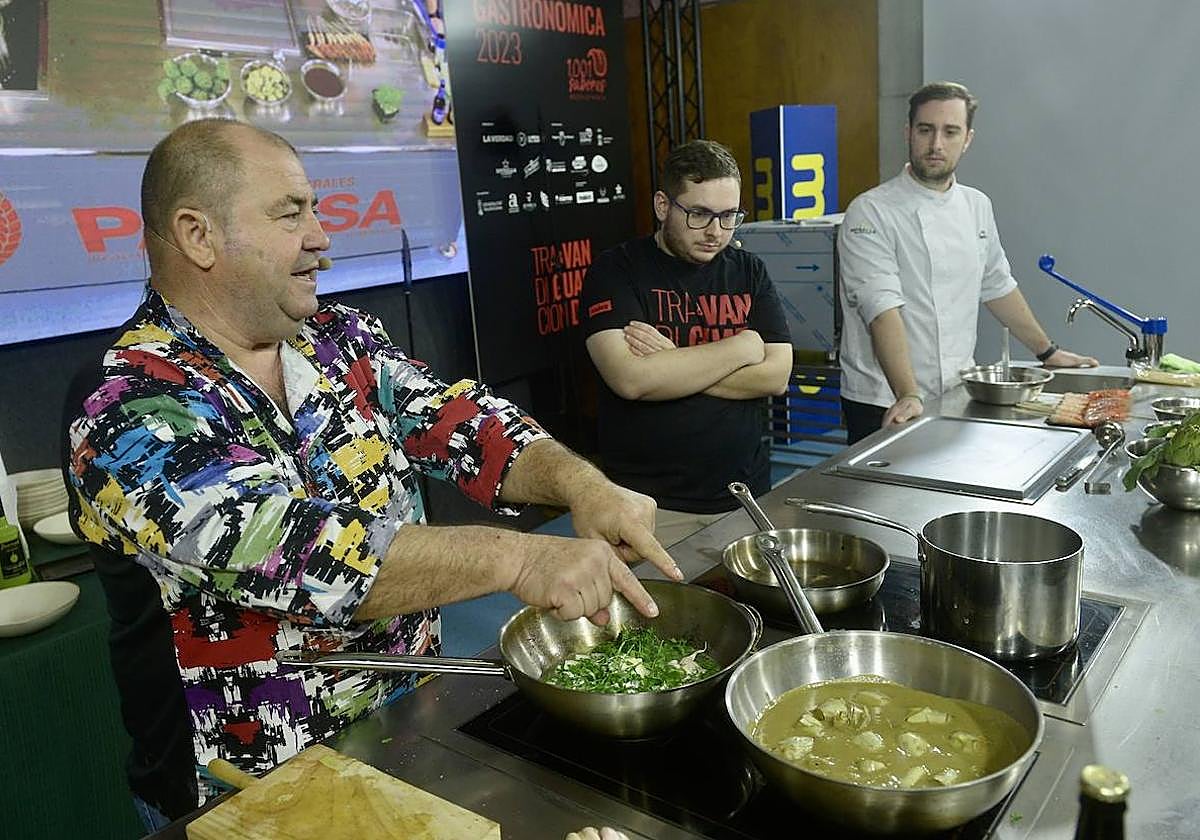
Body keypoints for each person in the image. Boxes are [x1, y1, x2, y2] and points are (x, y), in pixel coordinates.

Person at [62, 118, 681, 830]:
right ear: (198, 235)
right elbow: (293, 551)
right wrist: (521, 556)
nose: (321, 235)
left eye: (315, 209)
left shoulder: (338, 339)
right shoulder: (124, 400)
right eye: (291, 213)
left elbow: (461, 419)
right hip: (251, 791)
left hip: (416, 731)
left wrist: (583, 486)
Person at [838, 81, 1098, 444]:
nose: (936, 145)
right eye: (925, 130)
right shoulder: (870, 211)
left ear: (968, 139)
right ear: (908, 132)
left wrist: (1048, 352)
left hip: (955, 391)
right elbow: (882, 308)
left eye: (950, 132)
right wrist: (908, 393)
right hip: (884, 397)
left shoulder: (977, 206)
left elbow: (996, 285)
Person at [580, 140, 792, 547]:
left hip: (745, 496)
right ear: (664, 206)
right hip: (649, 505)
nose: (716, 232)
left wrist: (673, 362)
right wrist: (740, 348)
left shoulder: (749, 270)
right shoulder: (616, 270)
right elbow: (630, 380)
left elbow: (776, 375)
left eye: (729, 216)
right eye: (699, 214)